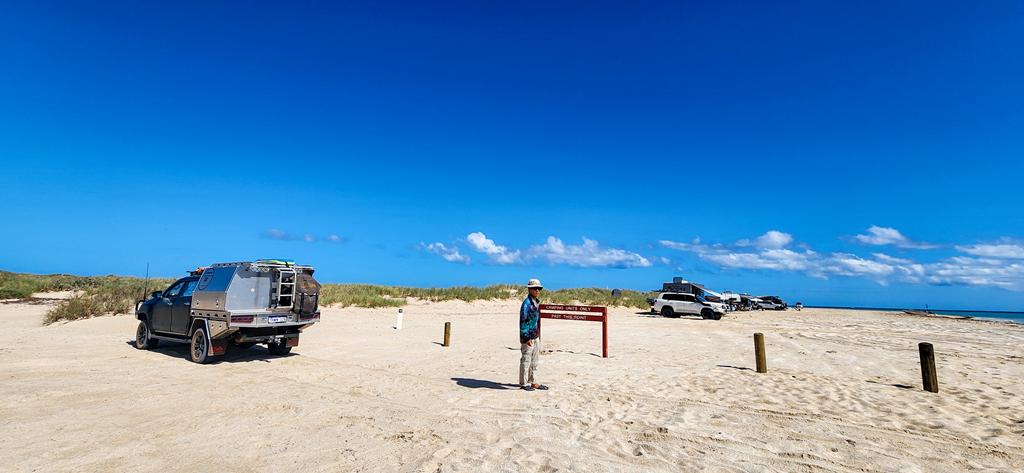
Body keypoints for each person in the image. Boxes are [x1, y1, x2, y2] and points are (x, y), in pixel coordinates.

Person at [519, 278, 548, 391]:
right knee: (526, 359)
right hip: (528, 337)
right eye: (534, 288)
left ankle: (533, 381)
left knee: (535, 360)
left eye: (538, 288)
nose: (537, 290)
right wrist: (526, 337)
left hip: (535, 335)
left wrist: (536, 335)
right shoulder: (526, 304)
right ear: (529, 289)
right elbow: (523, 321)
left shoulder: (536, 302)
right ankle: (523, 383)